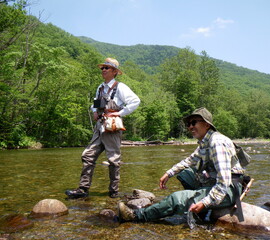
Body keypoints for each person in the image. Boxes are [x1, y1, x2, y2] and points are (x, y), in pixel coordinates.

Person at [118, 107, 246, 222]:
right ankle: (195, 206)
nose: (190, 127)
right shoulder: (205, 142)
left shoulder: (217, 143)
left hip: (229, 190)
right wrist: (169, 173)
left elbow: (223, 182)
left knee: (176, 198)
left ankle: (136, 216)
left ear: (207, 125)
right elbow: (189, 161)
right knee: (185, 174)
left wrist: (205, 202)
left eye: (194, 122)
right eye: (188, 124)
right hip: (218, 183)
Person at [66, 58, 140, 199]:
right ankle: (83, 189)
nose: (103, 70)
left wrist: (120, 113)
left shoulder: (120, 87)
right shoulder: (100, 87)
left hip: (112, 128)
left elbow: (135, 101)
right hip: (99, 127)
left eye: (107, 68)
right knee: (87, 156)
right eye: (102, 68)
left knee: (113, 160)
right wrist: (94, 110)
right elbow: (94, 103)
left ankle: (114, 192)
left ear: (114, 72)